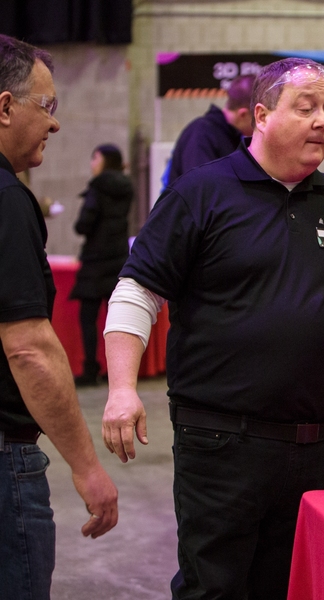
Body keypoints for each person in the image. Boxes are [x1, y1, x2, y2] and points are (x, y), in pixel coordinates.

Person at [101, 57, 324, 599]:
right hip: (220, 442)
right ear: (260, 115)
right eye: (305, 108)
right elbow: (137, 291)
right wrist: (122, 388)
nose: (322, 121)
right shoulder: (201, 193)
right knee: (214, 587)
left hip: (311, 447)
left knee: (290, 586)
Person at [0, 34, 118, 598]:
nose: (56, 124)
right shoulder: (7, 200)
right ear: (4, 108)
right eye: (47, 107)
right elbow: (27, 347)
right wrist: (87, 467)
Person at [71, 144, 134, 387]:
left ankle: (90, 369)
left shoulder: (97, 188)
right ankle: (118, 371)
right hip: (118, 258)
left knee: (88, 318)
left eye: (95, 157)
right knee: (117, 318)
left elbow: (83, 224)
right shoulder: (127, 187)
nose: (92, 163)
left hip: (95, 262)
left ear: (105, 161)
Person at [165, 73, 256, 185]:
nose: (261, 125)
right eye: (259, 117)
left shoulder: (233, 137)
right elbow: (199, 192)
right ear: (243, 115)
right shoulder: (200, 135)